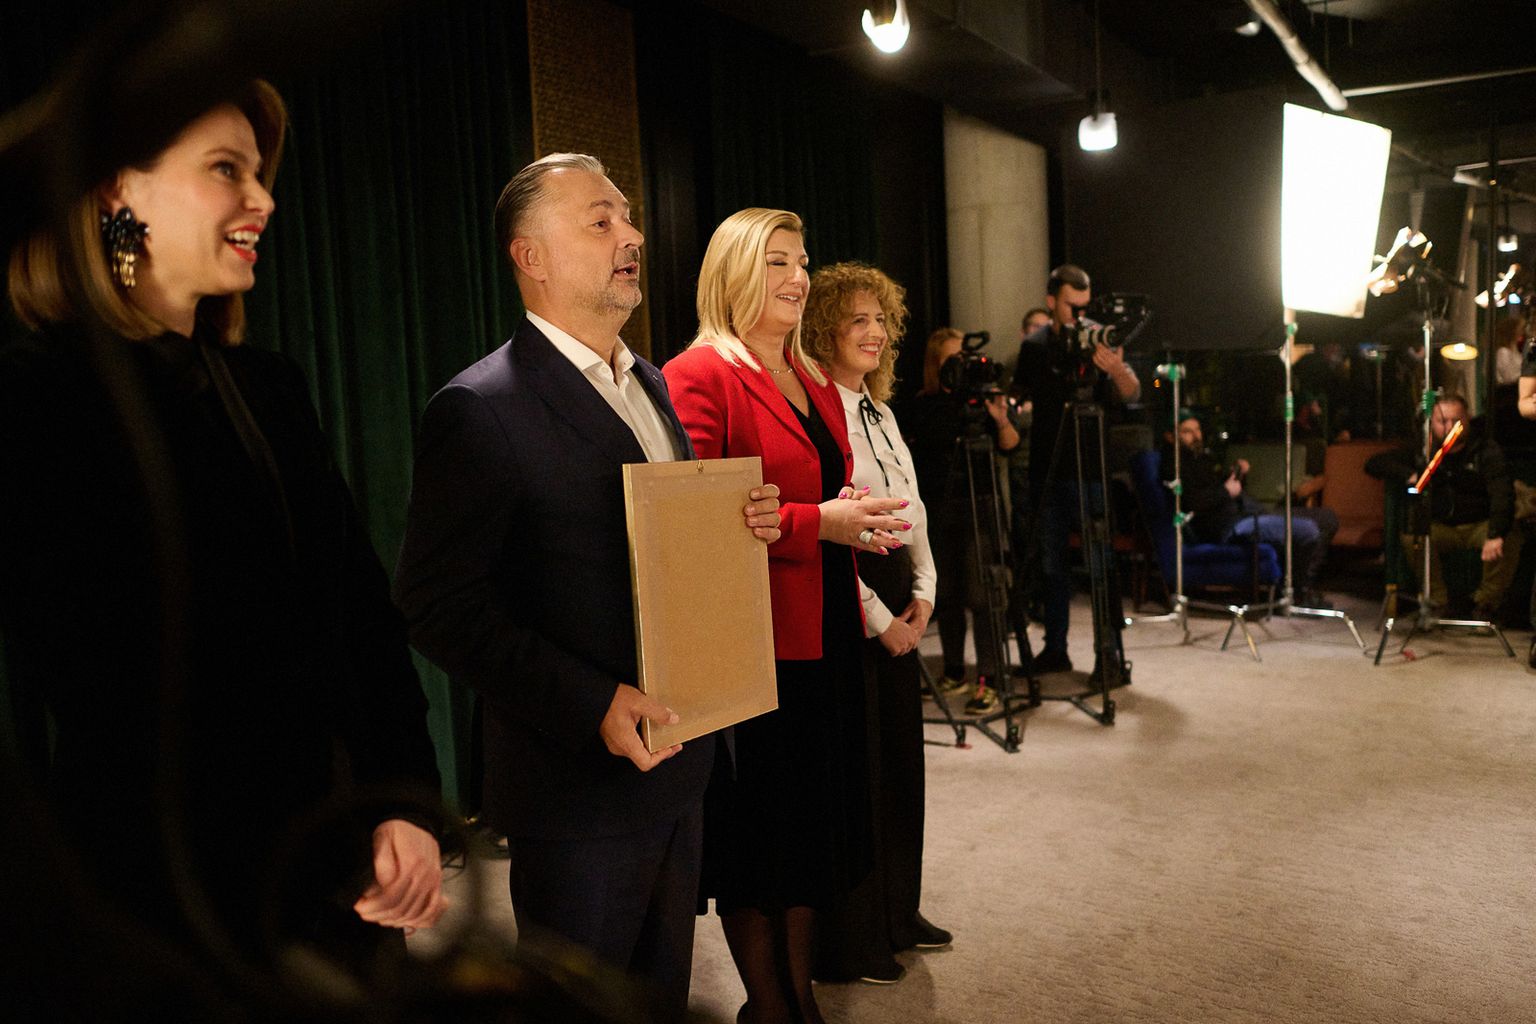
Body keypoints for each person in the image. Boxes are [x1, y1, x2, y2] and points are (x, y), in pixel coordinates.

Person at [1, 81, 446, 979]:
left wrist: (404, 806)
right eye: (224, 170)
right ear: (116, 188)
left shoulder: (267, 387)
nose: (264, 200)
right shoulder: (36, 396)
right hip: (153, 909)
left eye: (259, 172)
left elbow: (362, 622)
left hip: (332, 878)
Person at [391, 155, 782, 1022]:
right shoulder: (479, 406)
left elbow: (653, 550)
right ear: (530, 256)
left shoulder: (649, 382)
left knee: (657, 1000)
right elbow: (436, 606)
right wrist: (590, 700)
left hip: (680, 764)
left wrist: (735, 524)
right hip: (575, 792)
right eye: (600, 220)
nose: (632, 235)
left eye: (628, 217)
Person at [663, 209, 909, 1024]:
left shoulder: (810, 375)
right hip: (755, 644)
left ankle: (798, 998)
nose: (798, 278)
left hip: (826, 631)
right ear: (733, 271)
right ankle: (769, 1006)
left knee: (809, 838)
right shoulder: (699, 374)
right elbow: (697, 518)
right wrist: (819, 522)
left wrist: (846, 514)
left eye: (802, 261)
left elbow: (805, 492)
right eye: (777, 262)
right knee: (761, 843)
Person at [799, 262, 952, 986]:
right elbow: (832, 533)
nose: (874, 332)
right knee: (859, 772)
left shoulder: (882, 411)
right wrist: (881, 619)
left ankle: (899, 911)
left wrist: (926, 591)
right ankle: (856, 937)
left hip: (899, 588)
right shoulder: (817, 411)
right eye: (857, 319)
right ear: (824, 329)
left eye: (881, 320)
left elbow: (912, 506)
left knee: (901, 765)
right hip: (852, 594)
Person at [1009, 263, 1138, 675]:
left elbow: (1131, 391)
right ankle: (1055, 649)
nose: (1080, 315)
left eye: (1085, 306)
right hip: (1048, 466)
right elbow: (1018, 398)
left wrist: (1115, 368)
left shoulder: (1101, 337)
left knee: (1101, 565)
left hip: (1091, 467)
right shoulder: (1035, 347)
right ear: (1051, 301)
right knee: (1052, 565)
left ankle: (1108, 654)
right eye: (1071, 306)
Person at [904, 327, 1021, 712]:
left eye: (964, 359)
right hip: (939, 506)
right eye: (952, 360)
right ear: (936, 365)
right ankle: (954, 670)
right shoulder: (924, 405)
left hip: (980, 506)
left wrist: (1000, 419)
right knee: (947, 594)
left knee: (982, 594)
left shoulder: (983, 400)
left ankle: (989, 678)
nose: (961, 366)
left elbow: (1010, 445)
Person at [1367, 392, 1520, 623]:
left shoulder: (1486, 450)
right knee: (1412, 537)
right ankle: (1438, 602)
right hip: (1442, 526)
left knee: (1509, 537)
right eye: (1442, 421)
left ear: (1467, 420)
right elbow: (1374, 463)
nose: (1449, 427)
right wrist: (1409, 474)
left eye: (1455, 420)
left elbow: (1502, 493)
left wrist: (1495, 533)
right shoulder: (1425, 450)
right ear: (1432, 423)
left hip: (1479, 524)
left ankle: (1484, 604)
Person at [1162, 411, 1337, 606]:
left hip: (1248, 511)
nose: (1196, 436)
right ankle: (1299, 592)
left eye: (1198, 429)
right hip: (1230, 525)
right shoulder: (1173, 466)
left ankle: (1301, 584)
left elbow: (1217, 489)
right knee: (1308, 530)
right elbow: (1192, 503)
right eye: (1187, 431)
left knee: (1327, 518)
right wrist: (1226, 491)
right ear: (1170, 437)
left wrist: (1235, 474)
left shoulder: (1200, 459)